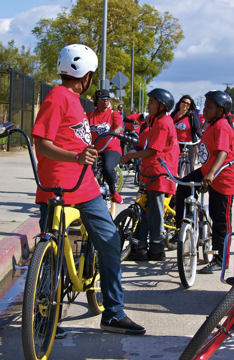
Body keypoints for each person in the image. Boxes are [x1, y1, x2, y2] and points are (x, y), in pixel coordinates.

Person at [31, 43, 145, 336]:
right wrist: (76, 156)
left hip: (83, 185)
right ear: (87, 76)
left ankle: (105, 313)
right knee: (61, 250)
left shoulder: (73, 100)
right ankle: (52, 317)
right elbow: (41, 143)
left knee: (103, 241)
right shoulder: (57, 98)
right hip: (60, 185)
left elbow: (72, 138)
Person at [173, 91, 234, 274]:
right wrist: (208, 172)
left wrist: (211, 173)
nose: (205, 109)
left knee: (220, 220)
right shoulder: (211, 124)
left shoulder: (222, 126)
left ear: (221, 110)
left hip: (223, 176)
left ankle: (221, 260)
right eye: (205, 105)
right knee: (183, 187)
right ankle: (182, 228)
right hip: (208, 172)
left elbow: (222, 153)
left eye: (209, 106)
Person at [120, 88, 179, 261]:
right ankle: (140, 247)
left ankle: (156, 249)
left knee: (154, 212)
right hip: (151, 171)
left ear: (161, 105)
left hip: (159, 172)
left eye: (152, 102)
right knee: (146, 209)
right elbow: (144, 144)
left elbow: (153, 150)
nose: (148, 104)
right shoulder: (155, 121)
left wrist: (129, 156)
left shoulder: (162, 123)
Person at [87, 89, 124, 203]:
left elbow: (119, 126)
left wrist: (116, 131)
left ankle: (113, 192)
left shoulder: (114, 114)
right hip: (94, 148)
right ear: (96, 101)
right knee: (84, 169)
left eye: (107, 100)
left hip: (110, 148)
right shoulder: (90, 115)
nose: (105, 102)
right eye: (102, 100)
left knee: (107, 168)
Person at [170, 95, 202, 173]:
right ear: (180, 103)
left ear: (189, 106)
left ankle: (190, 184)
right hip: (175, 143)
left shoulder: (192, 116)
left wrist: (203, 138)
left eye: (188, 103)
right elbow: (168, 127)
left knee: (190, 166)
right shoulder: (174, 114)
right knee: (173, 165)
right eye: (183, 102)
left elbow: (197, 129)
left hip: (188, 144)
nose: (185, 104)